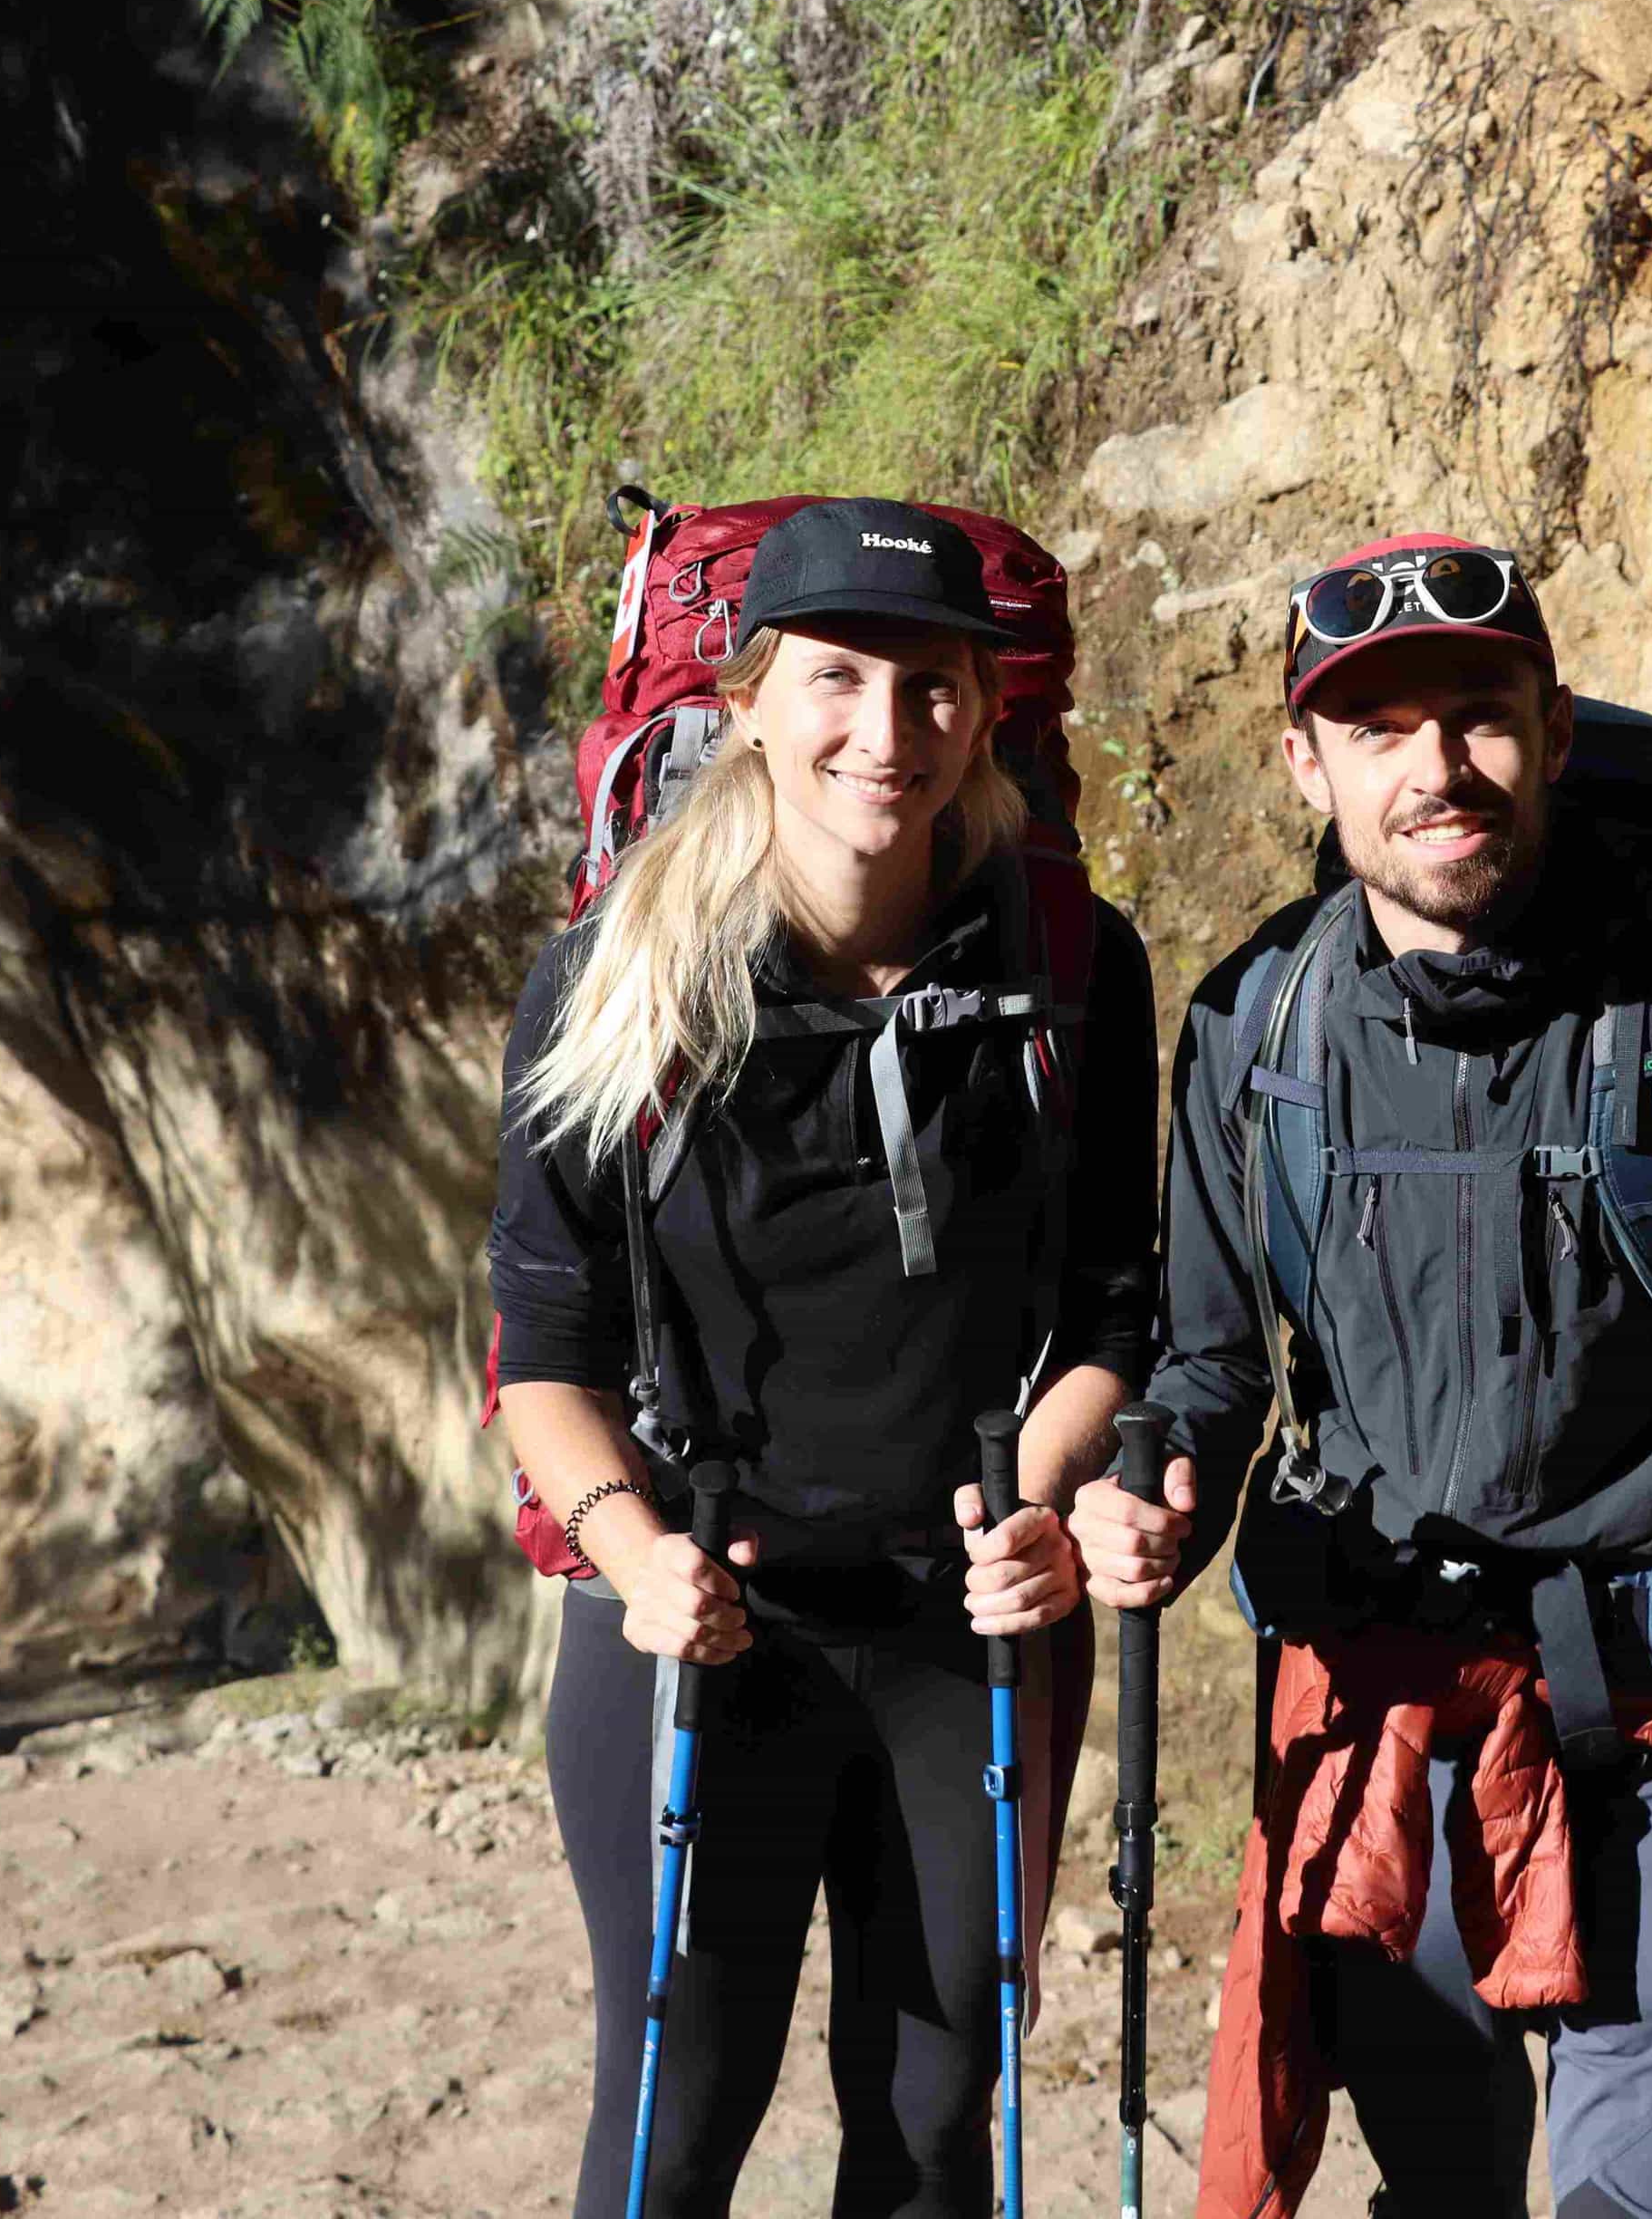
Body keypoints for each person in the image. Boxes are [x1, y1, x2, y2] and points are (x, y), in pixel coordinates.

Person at [1066, 533, 1652, 2217]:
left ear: (1558, 726)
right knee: (1437, 2174)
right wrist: (1152, 1485)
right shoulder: (1257, 1030)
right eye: (1378, 732)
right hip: (1389, 1715)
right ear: (1308, 765)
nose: (1437, 770)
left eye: (1479, 715)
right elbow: (1211, 1361)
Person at [487, 497, 1157, 2219]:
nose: (888, 732)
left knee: (934, 2122)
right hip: (699, 1630)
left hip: (967, 1623)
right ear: (757, 697)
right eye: (842, 681)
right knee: (679, 2112)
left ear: (987, 709)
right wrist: (636, 1565)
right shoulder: (615, 983)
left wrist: (1051, 1499)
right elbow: (545, 1353)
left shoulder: (1072, 962)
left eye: (934, 686)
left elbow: (1109, 1309)